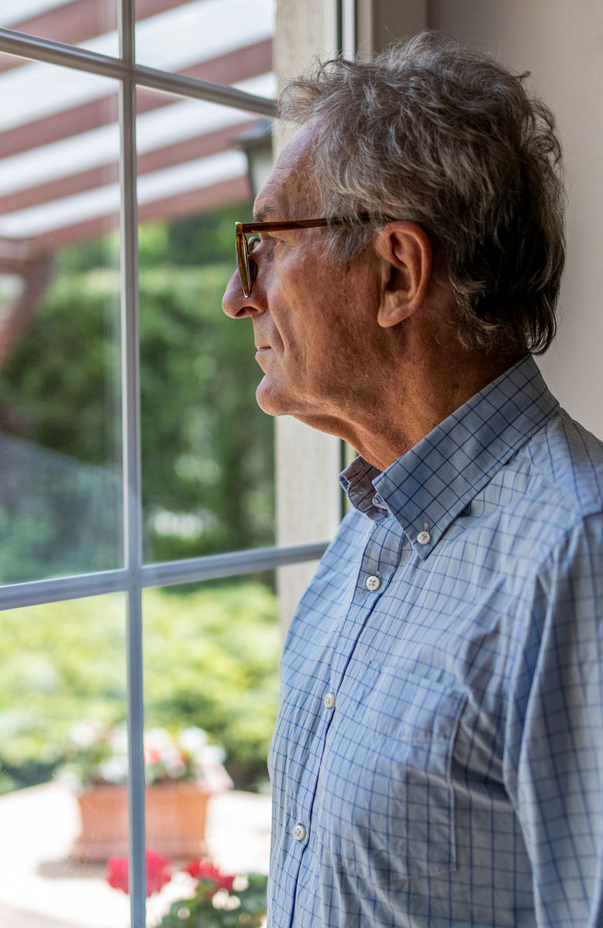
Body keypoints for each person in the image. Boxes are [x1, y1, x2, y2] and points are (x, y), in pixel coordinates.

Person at [221, 32, 603, 928]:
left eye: (264, 244)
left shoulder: (577, 554)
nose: (238, 297)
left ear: (396, 273)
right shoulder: (371, 525)